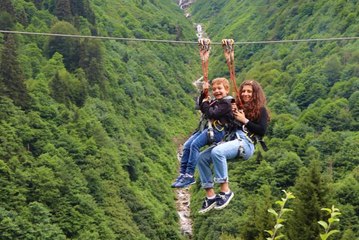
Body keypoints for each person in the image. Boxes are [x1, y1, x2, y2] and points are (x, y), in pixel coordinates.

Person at [197, 79, 270, 213]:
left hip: (246, 143)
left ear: (255, 94)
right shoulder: (236, 107)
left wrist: (244, 120)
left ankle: (225, 191)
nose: (246, 94)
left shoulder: (261, 110)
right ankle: (210, 195)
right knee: (201, 158)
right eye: (243, 91)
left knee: (217, 152)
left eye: (249, 91)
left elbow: (261, 131)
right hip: (231, 140)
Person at [171, 77, 234, 188]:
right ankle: (183, 173)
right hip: (207, 129)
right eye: (214, 89)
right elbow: (201, 106)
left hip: (217, 131)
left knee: (195, 145)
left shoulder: (226, 103)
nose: (216, 91)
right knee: (187, 145)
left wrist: (205, 104)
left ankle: (189, 174)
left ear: (227, 90)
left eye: (219, 88)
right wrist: (203, 93)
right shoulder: (217, 101)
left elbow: (211, 113)